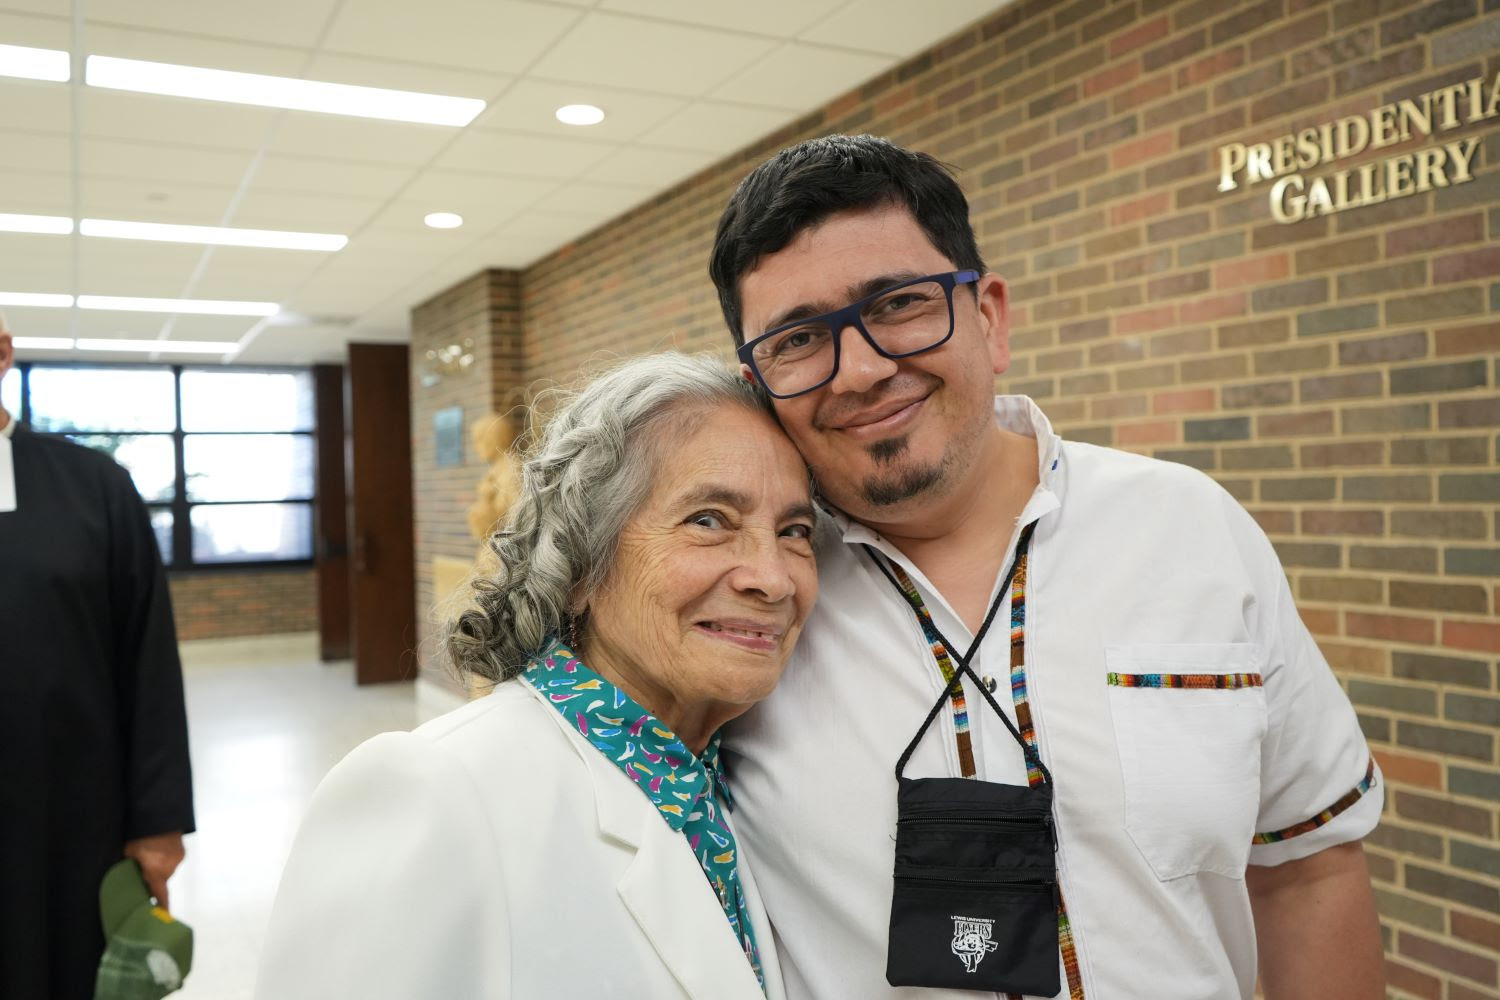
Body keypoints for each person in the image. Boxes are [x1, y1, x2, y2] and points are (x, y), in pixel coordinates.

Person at [709, 135, 1385, 1000]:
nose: (863, 369)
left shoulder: (1190, 529)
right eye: (800, 339)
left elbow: (1307, 869)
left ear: (989, 317)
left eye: (901, 303)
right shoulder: (742, 606)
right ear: (756, 383)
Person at [256, 353, 817, 999]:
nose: (773, 578)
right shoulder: (432, 791)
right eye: (708, 520)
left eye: (795, 530)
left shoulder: (712, 785)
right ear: (579, 566)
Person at [0, 314, 195, 999]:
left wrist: (158, 821)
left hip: (72, 817)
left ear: (2, 352)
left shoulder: (94, 487)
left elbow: (148, 659)